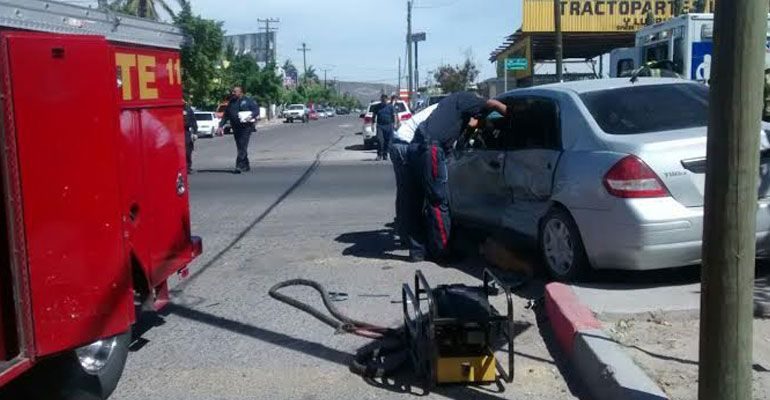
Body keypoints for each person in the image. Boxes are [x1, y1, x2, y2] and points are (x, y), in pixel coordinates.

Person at [406, 91, 507, 260]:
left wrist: (480, 124)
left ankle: (418, 250)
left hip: (417, 147)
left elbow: (473, 124)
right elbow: (493, 105)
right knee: (438, 202)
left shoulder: (451, 105)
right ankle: (442, 252)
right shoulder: (468, 98)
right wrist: (511, 113)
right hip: (430, 149)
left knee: (419, 200)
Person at [390, 104, 438, 251]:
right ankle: (415, 244)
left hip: (399, 143)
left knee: (405, 195)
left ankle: (405, 234)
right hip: (406, 145)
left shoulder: (438, 108)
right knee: (413, 196)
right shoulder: (440, 112)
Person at [217, 86, 259, 172]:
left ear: (240, 92)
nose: (233, 93)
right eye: (233, 91)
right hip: (235, 127)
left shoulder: (248, 101)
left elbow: (256, 110)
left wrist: (250, 116)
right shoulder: (231, 102)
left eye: (235, 91)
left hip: (246, 127)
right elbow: (226, 115)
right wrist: (221, 126)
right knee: (240, 146)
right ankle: (246, 165)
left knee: (242, 145)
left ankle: (239, 166)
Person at [371, 94, 397, 161]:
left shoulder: (390, 107)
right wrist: (372, 124)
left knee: (388, 141)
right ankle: (379, 155)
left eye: (385, 100)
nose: (383, 101)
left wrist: (395, 124)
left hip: (389, 125)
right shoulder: (377, 107)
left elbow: (394, 115)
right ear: (381, 100)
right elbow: (374, 116)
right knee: (380, 140)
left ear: (387, 100)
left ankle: (386, 155)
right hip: (380, 126)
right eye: (382, 100)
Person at [183, 102, 198, 174]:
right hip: (176, 131)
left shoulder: (188, 110)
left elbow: (194, 122)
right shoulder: (175, 109)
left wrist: (195, 132)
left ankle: (188, 167)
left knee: (188, 151)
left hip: (186, 131)